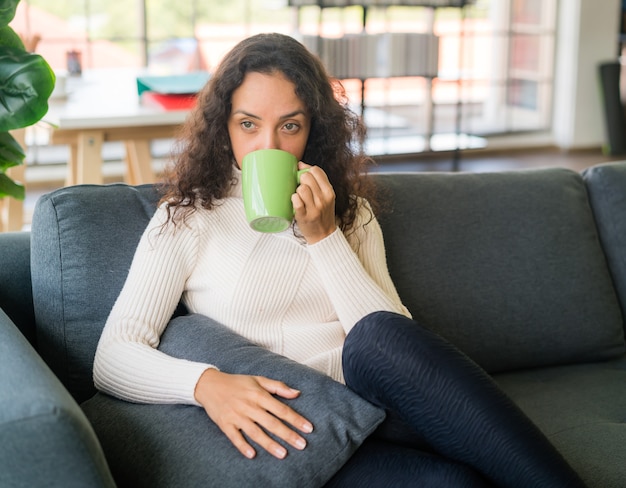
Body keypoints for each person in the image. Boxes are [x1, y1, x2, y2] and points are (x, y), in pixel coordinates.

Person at [93, 32, 586, 487]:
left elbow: (392, 338)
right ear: (224, 127)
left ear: (313, 130)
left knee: (379, 334)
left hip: (383, 404)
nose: (269, 146)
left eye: (290, 126)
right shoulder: (188, 217)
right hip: (311, 426)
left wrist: (325, 237)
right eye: (249, 124)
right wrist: (206, 385)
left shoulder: (352, 214)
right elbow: (113, 357)